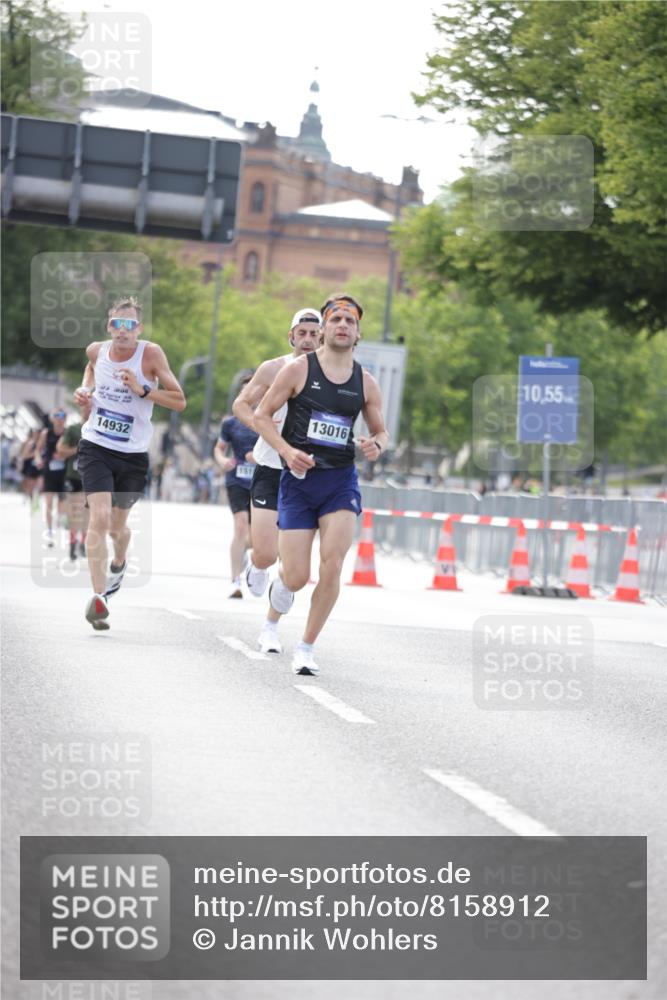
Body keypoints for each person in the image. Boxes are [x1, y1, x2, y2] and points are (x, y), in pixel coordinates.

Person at [254, 293, 388, 675]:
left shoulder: (366, 382)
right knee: (296, 576)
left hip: (339, 481)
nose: (342, 325)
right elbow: (263, 416)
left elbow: (381, 431)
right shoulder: (298, 370)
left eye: (350, 321)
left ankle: (307, 648)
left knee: (332, 565)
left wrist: (376, 444)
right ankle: (278, 598)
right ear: (325, 328)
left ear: (358, 333)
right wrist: (284, 449)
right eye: (336, 319)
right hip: (298, 480)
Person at [73, 296, 186, 630]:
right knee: (100, 517)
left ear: (139, 329)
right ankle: (99, 598)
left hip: (133, 455)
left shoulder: (150, 354)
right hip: (95, 444)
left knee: (117, 529)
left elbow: (179, 401)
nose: (123, 331)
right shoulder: (96, 350)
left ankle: (119, 562)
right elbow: (91, 369)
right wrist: (85, 390)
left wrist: (142, 389)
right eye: (117, 324)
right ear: (109, 326)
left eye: (130, 325)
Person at [232, 307, 322, 653]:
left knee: (295, 565)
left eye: (315, 334)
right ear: (291, 336)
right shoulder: (273, 368)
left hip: (306, 473)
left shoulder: (330, 375)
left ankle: (270, 627)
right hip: (271, 467)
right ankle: (255, 563)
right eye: (303, 333)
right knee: (267, 554)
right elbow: (242, 404)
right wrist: (264, 429)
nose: (309, 339)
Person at [213, 378, 259, 598]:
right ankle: (235, 581)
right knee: (240, 526)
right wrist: (222, 460)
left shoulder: (270, 420)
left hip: (263, 481)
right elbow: (219, 449)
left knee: (257, 539)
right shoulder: (230, 423)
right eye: (246, 391)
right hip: (237, 479)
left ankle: (244, 554)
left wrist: (259, 457)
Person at [54, 418, 89, 560]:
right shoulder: (73, 429)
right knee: (73, 512)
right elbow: (60, 450)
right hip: (72, 476)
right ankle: (73, 544)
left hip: (90, 477)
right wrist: (77, 449)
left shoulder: (100, 428)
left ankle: (82, 543)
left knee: (87, 513)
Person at [34, 410, 67, 546]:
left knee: (61, 503)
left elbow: (75, 449)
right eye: (57, 416)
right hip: (49, 471)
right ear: (52, 418)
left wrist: (63, 456)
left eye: (62, 416)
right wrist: (37, 459)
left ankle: (59, 519)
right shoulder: (46, 433)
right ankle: (49, 530)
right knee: (48, 503)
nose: (60, 419)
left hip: (64, 472)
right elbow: (38, 449)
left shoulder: (68, 432)